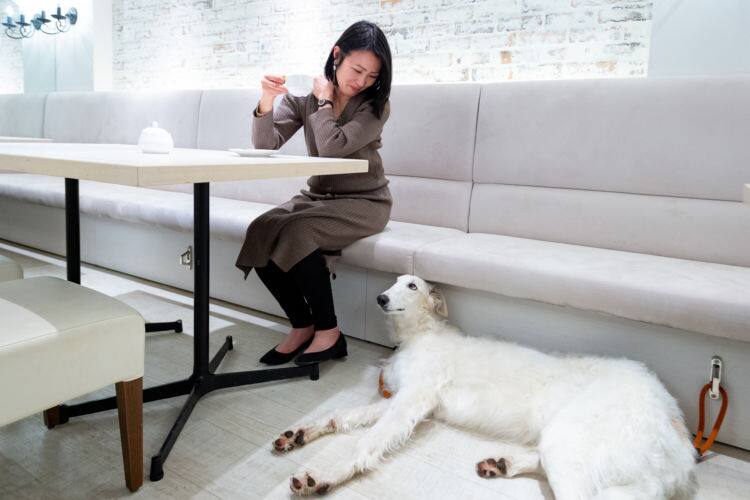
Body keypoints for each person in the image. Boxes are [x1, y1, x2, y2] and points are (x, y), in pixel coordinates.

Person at [235, 20, 393, 366]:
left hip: (366, 202)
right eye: (357, 70)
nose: (362, 82)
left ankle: (329, 332)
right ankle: (302, 324)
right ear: (337, 55)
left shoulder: (374, 107)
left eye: (371, 76)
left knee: (298, 230)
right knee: (260, 229)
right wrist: (266, 100)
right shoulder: (304, 98)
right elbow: (265, 144)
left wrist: (324, 102)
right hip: (319, 197)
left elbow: (333, 147)